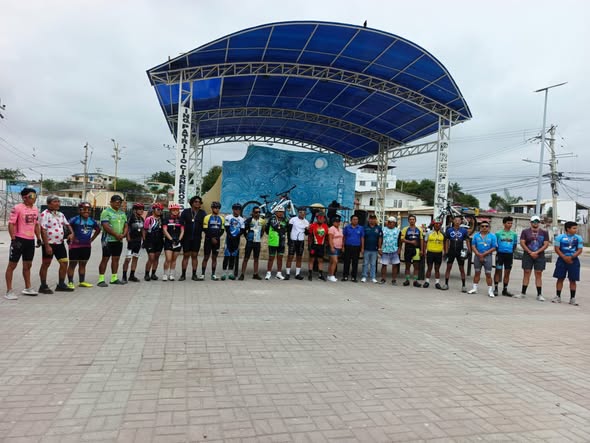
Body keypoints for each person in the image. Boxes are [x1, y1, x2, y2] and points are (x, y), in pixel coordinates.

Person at [4, 187, 42, 300]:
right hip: (19, 239)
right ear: (24, 197)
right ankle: (9, 291)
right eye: (32, 196)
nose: (34, 198)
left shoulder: (35, 209)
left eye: (35, 196)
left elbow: (36, 225)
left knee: (28, 265)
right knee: (12, 265)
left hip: (30, 240)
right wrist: (13, 239)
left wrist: (38, 238)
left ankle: (28, 288)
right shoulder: (17, 208)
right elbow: (11, 224)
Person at [39, 195, 74, 293]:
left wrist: (72, 233)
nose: (58, 203)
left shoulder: (60, 214)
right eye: (55, 201)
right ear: (48, 204)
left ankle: (61, 285)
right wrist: (47, 246)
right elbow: (43, 230)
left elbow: (67, 225)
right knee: (46, 264)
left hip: (60, 243)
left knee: (64, 263)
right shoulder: (44, 214)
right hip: (49, 244)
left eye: (58, 201)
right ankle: (43, 286)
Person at [67, 201, 101, 288]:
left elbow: (98, 230)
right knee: (72, 264)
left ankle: (82, 281)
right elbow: (67, 225)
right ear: (79, 210)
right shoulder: (75, 219)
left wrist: (91, 239)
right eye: (84, 209)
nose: (86, 211)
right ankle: (70, 282)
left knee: (83, 264)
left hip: (86, 246)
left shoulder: (92, 221)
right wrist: (71, 234)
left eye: (88, 209)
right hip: (74, 246)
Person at [516, 215, 549, 301]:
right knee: (526, 272)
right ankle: (523, 293)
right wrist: (530, 252)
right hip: (528, 254)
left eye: (537, 221)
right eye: (534, 221)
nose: (535, 223)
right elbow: (522, 242)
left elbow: (546, 244)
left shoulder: (544, 232)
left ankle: (539, 294)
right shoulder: (525, 232)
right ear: (530, 222)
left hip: (540, 255)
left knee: (538, 273)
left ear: (539, 223)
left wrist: (537, 252)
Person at [97, 195, 128, 287]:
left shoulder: (122, 213)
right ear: (111, 202)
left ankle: (114, 278)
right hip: (108, 240)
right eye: (116, 202)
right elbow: (105, 226)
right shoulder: (106, 212)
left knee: (116, 259)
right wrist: (116, 235)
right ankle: (101, 279)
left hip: (119, 240)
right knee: (105, 258)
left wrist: (123, 235)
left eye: (120, 202)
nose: (118, 204)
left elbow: (126, 225)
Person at [552, 221, 583, 305]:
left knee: (573, 279)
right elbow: (557, 249)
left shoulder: (578, 238)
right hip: (562, 260)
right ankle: (558, 296)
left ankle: (572, 298)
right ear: (568, 229)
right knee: (560, 278)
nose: (576, 230)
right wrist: (564, 257)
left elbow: (579, 250)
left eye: (576, 228)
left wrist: (571, 257)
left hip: (573, 260)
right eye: (574, 228)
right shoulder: (559, 237)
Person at [179, 196, 206, 281]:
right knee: (186, 255)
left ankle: (194, 275)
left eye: (199, 202)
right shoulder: (185, 212)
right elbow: (181, 224)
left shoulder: (203, 213)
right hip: (186, 237)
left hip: (197, 238)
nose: (197, 203)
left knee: (194, 256)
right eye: (196, 201)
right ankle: (183, 275)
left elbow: (205, 226)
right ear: (192, 203)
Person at [467, 221, 497, 297]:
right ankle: (474, 288)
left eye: (486, 226)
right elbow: (473, 246)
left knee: (488, 274)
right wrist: (478, 254)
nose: (484, 228)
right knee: (477, 272)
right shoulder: (476, 235)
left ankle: (490, 290)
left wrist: (483, 254)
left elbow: (494, 247)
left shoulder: (492, 236)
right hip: (477, 256)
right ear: (480, 227)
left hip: (488, 256)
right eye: (482, 226)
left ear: (489, 227)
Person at [442, 215, 470, 292]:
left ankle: (463, 285)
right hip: (451, 251)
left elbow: (467, 240)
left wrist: (469, 251)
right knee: (448, 267)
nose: (457, 222)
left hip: (460, 251)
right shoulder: (449, 230)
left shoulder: (464, 230)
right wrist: (446, 251)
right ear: (453, 221)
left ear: (461, 222)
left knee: (461, 268)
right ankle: (446, 284)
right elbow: (446, 241)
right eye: (456, 220)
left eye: (459, 220)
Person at [493, 216, 518, 296]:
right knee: (498, 270)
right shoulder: (498, 233)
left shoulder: (514, 234)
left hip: (509, 255)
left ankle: (505, 289)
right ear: (504, 224)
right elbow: (495, 244)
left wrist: (511, 251)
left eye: (511, 223)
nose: (510, 225)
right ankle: (496, 288)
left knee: (507, 272)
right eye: (508, 223)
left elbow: (514, 245)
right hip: (500, 254)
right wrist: (499, 251)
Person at [239, 206, 265, 280]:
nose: (258, 213)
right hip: (250, 241)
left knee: (256, 258)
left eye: (259, 212)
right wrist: (247, 237)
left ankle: (255, 274)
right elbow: (244, 229)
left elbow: (263, 230)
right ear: (253, 213)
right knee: (246, 258)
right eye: (256, 212)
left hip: (257, 242)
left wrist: (260, 237)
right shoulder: (249, 220)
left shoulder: (262, 221)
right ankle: (242, 274)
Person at [122, 203, 145, 283]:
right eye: (140, 209)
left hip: (138, 241)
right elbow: (127, 228)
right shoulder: (130, 217)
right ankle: (124, 276)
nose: (141, 211)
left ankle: (132, 275)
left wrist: (144, 240)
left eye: (142, 209)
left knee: (135, 258)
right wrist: (128, 239)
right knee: (128, 259)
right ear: (135, 210)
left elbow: (142, 230)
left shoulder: (142, 219)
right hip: (131, 241)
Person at [201, 201, 224, 280]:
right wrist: (212, 238)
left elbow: (222, 230)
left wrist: (216, 238)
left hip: (217, 241)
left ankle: (213, 274)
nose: (216, 209)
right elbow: (205, 229)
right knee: (206, 257)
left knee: (214, 258)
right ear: (212, 208)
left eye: (218, 208)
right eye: (215, 208)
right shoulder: (207, 217)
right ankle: (202, 274)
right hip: (208, 240)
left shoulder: (221, 218)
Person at [221, 203, 245, 280]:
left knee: (233, 256)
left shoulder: (242, 219)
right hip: (229, 239)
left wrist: (236, 237)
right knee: (227, 256)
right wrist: (231, 236)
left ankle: (230, 273)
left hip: (236, 240)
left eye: (239, 209)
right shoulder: (228, 217)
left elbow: (242, 230)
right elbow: (227, 228)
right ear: (233, 209)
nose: (237, 211)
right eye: (236, 209)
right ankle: (224, 273)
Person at [285, 207, 309, 280]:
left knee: (299, 257)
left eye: (304, 212)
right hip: (293, 240)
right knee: (290, 257)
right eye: (301, 212)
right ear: (298, 212)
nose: (302, 214)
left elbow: (306, 233)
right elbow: (289, 231)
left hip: (301, 241)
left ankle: (297, 274)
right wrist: (289, 240)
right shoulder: (293, 220)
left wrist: (307, 230)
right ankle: (287, 273)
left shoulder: (306, 222)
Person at [162, 203, 184, 281]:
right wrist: (171, 239)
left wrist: (179, 239)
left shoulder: (181, 220)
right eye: (173, 210)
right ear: (170, 211)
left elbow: (182, 231)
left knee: (174, 259)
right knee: (168, 259)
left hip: (177, 242)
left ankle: (171, 274)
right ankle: (165, 274)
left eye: (177, 210)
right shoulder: (166, 219)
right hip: (169, 241)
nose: (175, 211)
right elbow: (164, 230)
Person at [400, 215, 423, 287]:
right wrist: (411, 242)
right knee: (407, 266)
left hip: (417, 249)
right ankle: (407, 280)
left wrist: (422, 250)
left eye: (413, 219)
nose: (412, 221)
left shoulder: (419, 229)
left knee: (416, 266)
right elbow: (402, 239)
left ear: (415, 220)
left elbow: (421, 240)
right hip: (408, 249)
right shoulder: (405, 229)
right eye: (410, 219)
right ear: (408, 221)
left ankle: (415, 281)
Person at [265, 207, 288, 280]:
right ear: (275, 212)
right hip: (273, 241)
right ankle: (268, 273)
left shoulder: (285, 219)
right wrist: (281, 226)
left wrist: (281, 226)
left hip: (281, 241)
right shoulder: (272, 218)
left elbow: (287, 228)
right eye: (279, 211)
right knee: (271, 258)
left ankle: (279, 274)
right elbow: (275, 226)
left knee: (280, 258)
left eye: (282, 212)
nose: (281, 213)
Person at [143, 203, 164, 281]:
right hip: (150, 240)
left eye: (161, 210)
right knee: (151, 258)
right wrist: (144, 240)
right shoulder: (149, 219)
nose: (160, 211)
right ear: (153, 210)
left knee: (156, 258)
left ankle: (153, 274)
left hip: (159, 241)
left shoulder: (162, 219)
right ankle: (146, 274)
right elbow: (144, 230)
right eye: (158, 209)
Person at [307, 211, 329, 281]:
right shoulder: (312, 225)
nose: (320, 219)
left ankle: (320, 275)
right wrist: (309, 246)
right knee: (312, 260)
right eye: (319, 218)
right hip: (314, 245)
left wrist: (326, 245)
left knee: (320, 260)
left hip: (321, 246)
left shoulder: (325, 226)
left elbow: (327, 236)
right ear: (317, 218)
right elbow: (310, 236)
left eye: (322, 218)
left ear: (324, 219)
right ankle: (310, 274)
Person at [342, 214, 364, 282]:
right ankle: (345, 276)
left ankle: (353, 277)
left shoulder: (360, 228)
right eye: (354, 219)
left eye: (356, 219)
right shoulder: (347, 227)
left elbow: (362, 238)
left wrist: (362, 248)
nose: (355, 221)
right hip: (348, 246)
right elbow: (344, 237)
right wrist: (343, 246)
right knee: (346, 262)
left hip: (356, 247)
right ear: (351, 220)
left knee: (355, 262)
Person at [379, 216, 400, 285]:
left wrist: (399, 249)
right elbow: (380, 239)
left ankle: (394, 280)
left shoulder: (398, 230)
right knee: (384, 265)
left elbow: (399, 240)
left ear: (395, 223)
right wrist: (379, 248)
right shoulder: (383, 229)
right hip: (385, 250)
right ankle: (383, 279)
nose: (390, 223)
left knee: (395, 265)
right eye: (389, 222)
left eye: (392, 222)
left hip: (394, 250)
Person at [423, 221, 444, 289]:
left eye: (439, 224)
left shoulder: (442, 233)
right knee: (429, 267)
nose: (438, 225)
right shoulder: (429, 233)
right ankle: (427, 282)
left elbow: (445, 242)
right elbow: (425, 242)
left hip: (439, 253)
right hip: (430, 252)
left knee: (437, 269)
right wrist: (424, 251)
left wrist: (445, 252)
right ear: (433, 225)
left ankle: (437, 283)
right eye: (436, 224)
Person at [362, 215, 382, 283]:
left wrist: (379, 248)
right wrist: (362, 248)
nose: (372, 220)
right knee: (365, 263)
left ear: (376, 220)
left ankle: (373, 277)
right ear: (368, 219)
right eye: (371, 219)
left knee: (373, 264)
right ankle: (364, 276)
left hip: (374, 249)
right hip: (366, 248)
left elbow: (380, 238)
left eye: (373, 219)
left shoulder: (379, 228)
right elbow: (362, 238)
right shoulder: (365, 227)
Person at [327, 215, 343, 282]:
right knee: (335, 261)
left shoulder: (340, 229)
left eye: (338, 221)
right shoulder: (331, 228)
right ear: (333, 222)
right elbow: (330, 239)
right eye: (336, 222)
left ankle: (329, 275)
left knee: (331, 262)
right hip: (334, 247)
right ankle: (332, 275)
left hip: (339, 247)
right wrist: (332, 247)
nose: (337, 223)